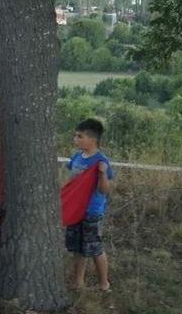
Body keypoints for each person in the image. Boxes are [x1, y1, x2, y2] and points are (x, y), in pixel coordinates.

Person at [65, 118, 114, 292]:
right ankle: (78, 282)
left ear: (92, 139)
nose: (75, 139)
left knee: (95, 248)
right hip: (76, 208)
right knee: (78, 247)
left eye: (80, 136)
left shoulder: (102, 161)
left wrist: (101, 174)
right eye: (75, 136)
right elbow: (71, 179)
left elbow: (105, 190)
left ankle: (104, 283)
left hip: (92, 211)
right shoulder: (77, 156)